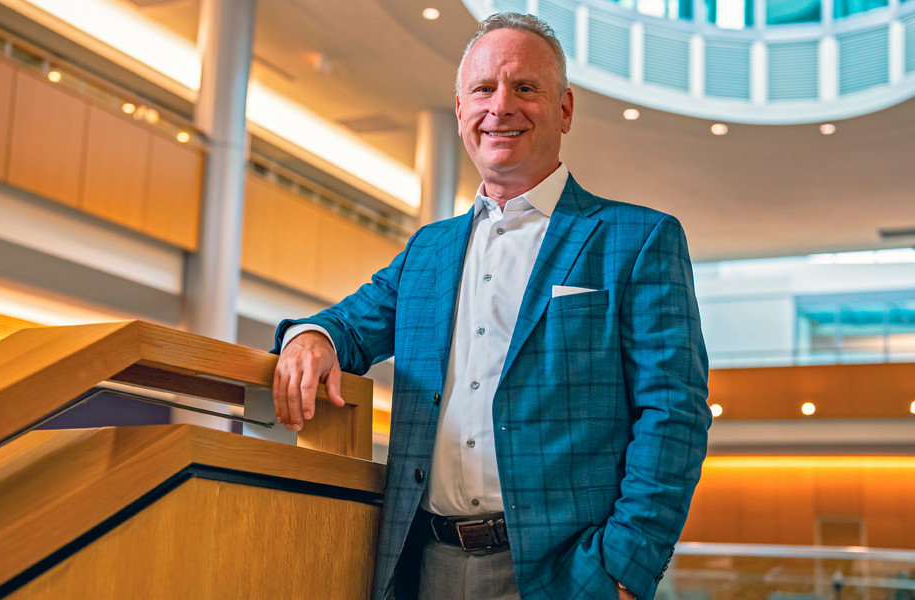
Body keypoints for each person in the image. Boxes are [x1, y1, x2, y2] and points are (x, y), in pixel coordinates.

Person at [272, 12, 710, 600]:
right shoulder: (430, 248)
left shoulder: (638, 238)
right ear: (461, 111)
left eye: (525, 87)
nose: (501, 106)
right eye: (483, 89)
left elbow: (674, 414)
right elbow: (349, 326)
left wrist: (624, 570)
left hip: (567, 574)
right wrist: (310, 337)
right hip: (422, 564)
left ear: (565, 109)